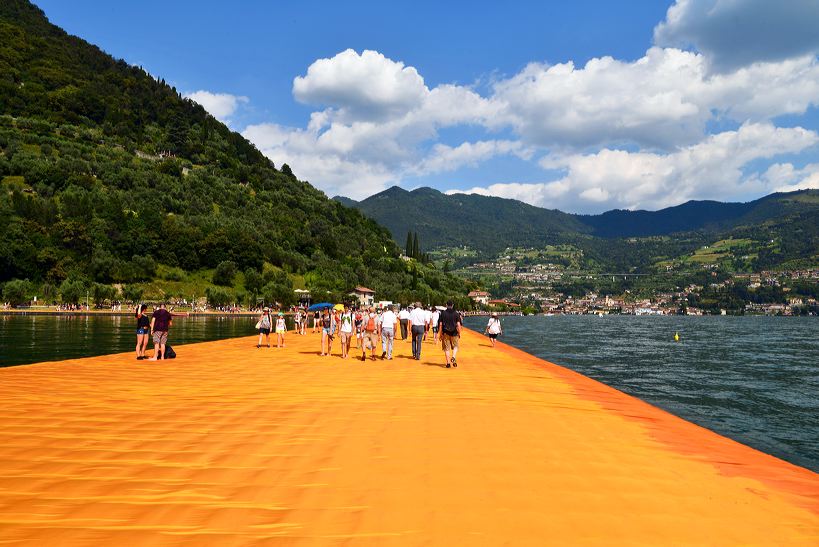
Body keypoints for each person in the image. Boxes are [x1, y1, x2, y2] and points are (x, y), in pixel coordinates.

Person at [438, 300, 462, 368]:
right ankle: (453, 357)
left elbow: (440, 324)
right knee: (455, 346)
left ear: (446, 305)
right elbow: (458, 324)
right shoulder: (456, 314)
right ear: (453, 305)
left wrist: (440, 334)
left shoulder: (443, 313)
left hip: (445, 332)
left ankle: (448, 363)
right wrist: (459, 333)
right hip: (454, 332)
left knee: (446, 348)